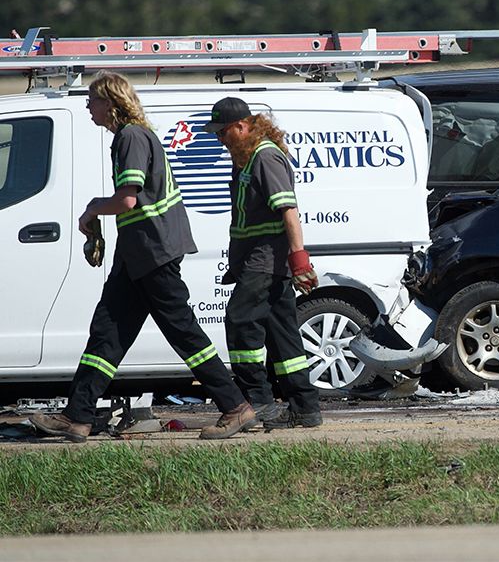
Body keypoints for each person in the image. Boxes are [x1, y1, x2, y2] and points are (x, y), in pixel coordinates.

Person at [29, 72, 256, 442]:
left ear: (110, 102)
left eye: (93, 100)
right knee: (107, 334)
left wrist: (91, 210)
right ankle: (77, 416)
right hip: (137, 254)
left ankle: (235, 407)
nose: (88, 107)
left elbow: (128, 199)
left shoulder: (131, 137)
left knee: (183, 332)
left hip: (153, 252)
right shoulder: (130, 136)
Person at [204, 97, 322, 429]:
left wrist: (300, 260)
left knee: (240, 321)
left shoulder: (265, 157)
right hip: (259, 260)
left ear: (242, 127)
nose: (219, 140)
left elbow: (288, 210)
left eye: (223, 133)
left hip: (266, 260)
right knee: (283, 333)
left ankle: (257, 402)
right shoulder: (245, 158)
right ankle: (305, 406)